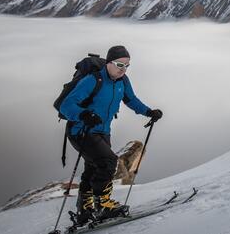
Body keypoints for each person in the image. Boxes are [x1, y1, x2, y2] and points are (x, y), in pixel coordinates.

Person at [59, 45, 163, 223]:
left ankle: (84, 210)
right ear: (108, 63)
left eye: (127, 65)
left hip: (102, 131)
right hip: (81, 131)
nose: (123, 69)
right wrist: (83, 114)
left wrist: (149, 112)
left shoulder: (123, 81)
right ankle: (103, 205)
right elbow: (66, 105)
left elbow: (131, 100)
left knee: (93, 168)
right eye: (119, 64)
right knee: (108, 162)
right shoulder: (93, 80)